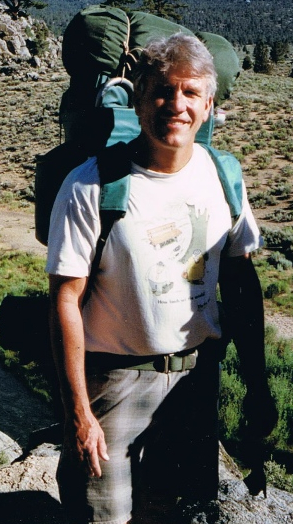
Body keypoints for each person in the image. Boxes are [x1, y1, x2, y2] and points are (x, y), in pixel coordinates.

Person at [46, 33, 277, 524]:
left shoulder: (222, 178)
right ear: (139, 97)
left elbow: (241, 285)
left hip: (195, 383)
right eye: (162, 91)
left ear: (209, 104)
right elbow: (65, 301)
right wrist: (79, 414)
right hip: (113, 382)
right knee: (100, 517)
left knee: (180, 513)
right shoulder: (90, 186)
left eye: (191, 93)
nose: (177, 104)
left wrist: (257, 384)